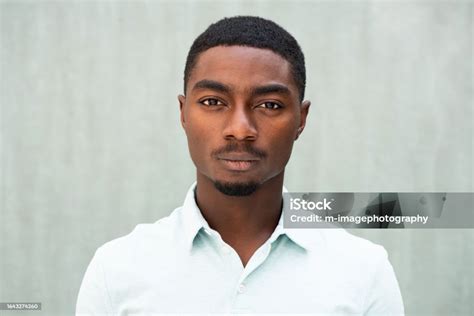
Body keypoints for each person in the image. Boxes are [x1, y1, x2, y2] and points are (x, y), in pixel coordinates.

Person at [76, 16, 404, 315]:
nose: (240, 129)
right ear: (183, 113)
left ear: (300, 120)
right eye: (213, 102)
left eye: (269, 105)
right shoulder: (116, 270)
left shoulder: (363, 271)